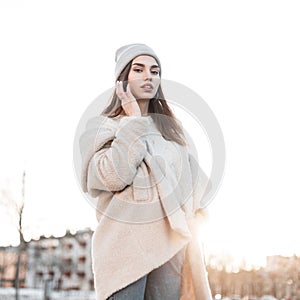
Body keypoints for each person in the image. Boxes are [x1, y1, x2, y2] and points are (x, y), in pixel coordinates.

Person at [79, 43, 213, 300]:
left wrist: (196, 215)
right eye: (138, 69)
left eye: (154, 70)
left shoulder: (172, 131)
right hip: (125, 247)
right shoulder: (101, 127)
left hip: (171, 245)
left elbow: (195, 185)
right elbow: (113, 176)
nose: (148, 76)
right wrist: (133, 120)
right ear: (122, 78)